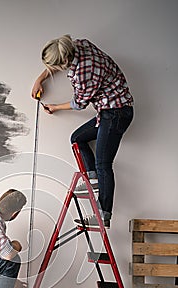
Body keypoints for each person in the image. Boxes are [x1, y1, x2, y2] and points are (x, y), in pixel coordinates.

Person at [31, 35, 134, 228]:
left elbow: (79, 103)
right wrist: (40, 78)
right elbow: (58, 61)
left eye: (56, 67)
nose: (55, 70)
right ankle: (92, 178)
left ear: (64, 61)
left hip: (116, 113)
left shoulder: (83, 73)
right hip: (108, 112)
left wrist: (55, 107)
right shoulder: (78, 44)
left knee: (104, 163)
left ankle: (103, 214)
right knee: (77, 139)